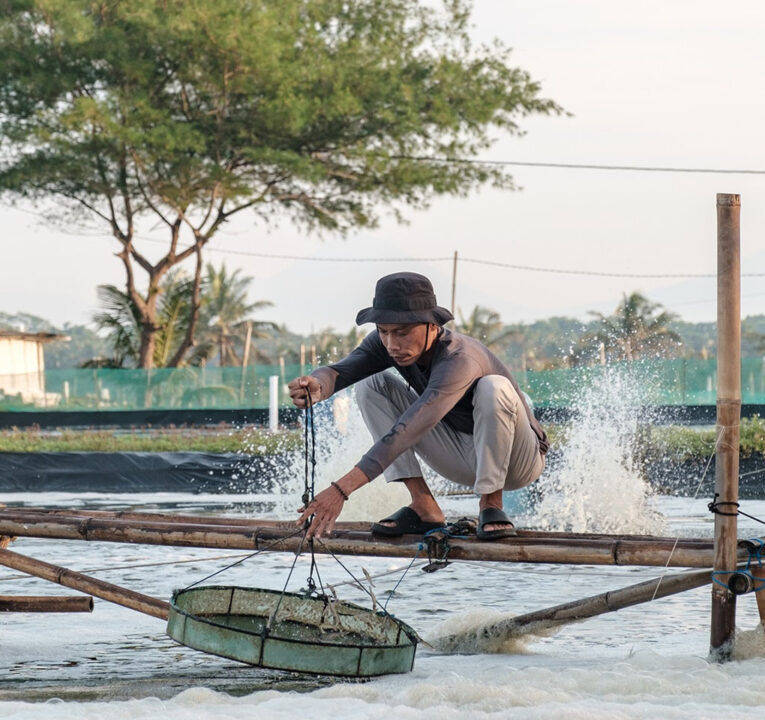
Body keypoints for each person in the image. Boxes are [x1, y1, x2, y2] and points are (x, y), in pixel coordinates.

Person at [289, 272, 549, 541]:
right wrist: (318, 385)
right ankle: (424, 506)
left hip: (517, 462)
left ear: (433, 326)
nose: (392, 344)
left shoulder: (459, 358)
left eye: (402, 332)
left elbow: (413, 426)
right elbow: (340, 371)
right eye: (384, 332)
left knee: (493, 388)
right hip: (460, 457)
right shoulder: (385, 344)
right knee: (370, 385)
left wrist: (341, 490)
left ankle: (491, 504)